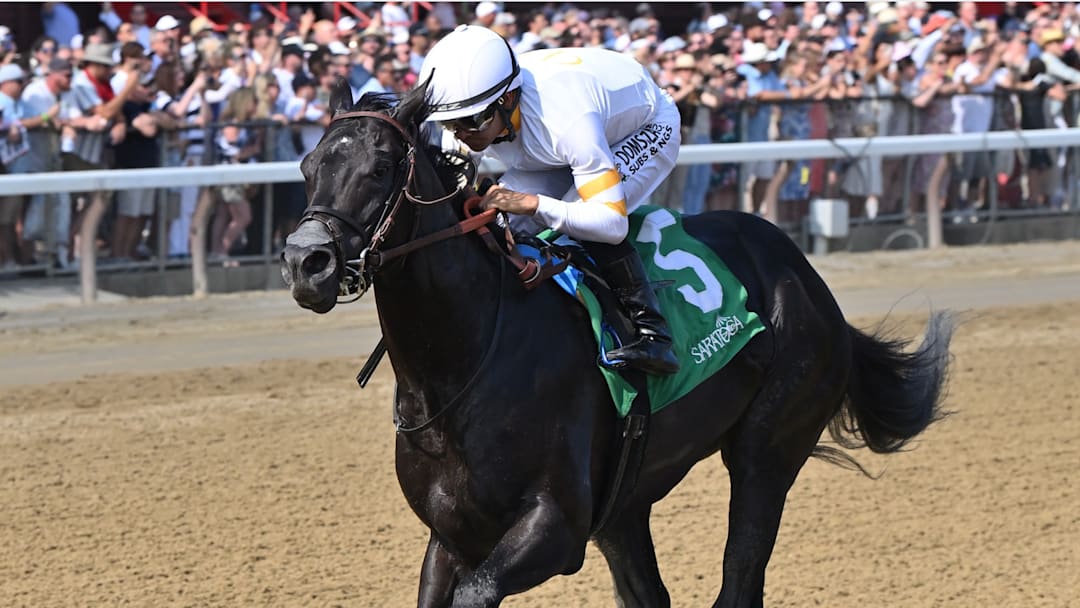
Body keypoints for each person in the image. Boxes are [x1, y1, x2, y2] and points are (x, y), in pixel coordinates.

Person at [419, 25, 680, 375]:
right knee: (491, 217)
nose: (461, 133)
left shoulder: (569, 122)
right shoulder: (475, 108)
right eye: (450, 124)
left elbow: (611, 224)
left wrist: (533, 205)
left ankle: (654, 334)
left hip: (643, 125)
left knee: (583, 222)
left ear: (507, 99)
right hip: (548, 146)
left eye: (470, 122)